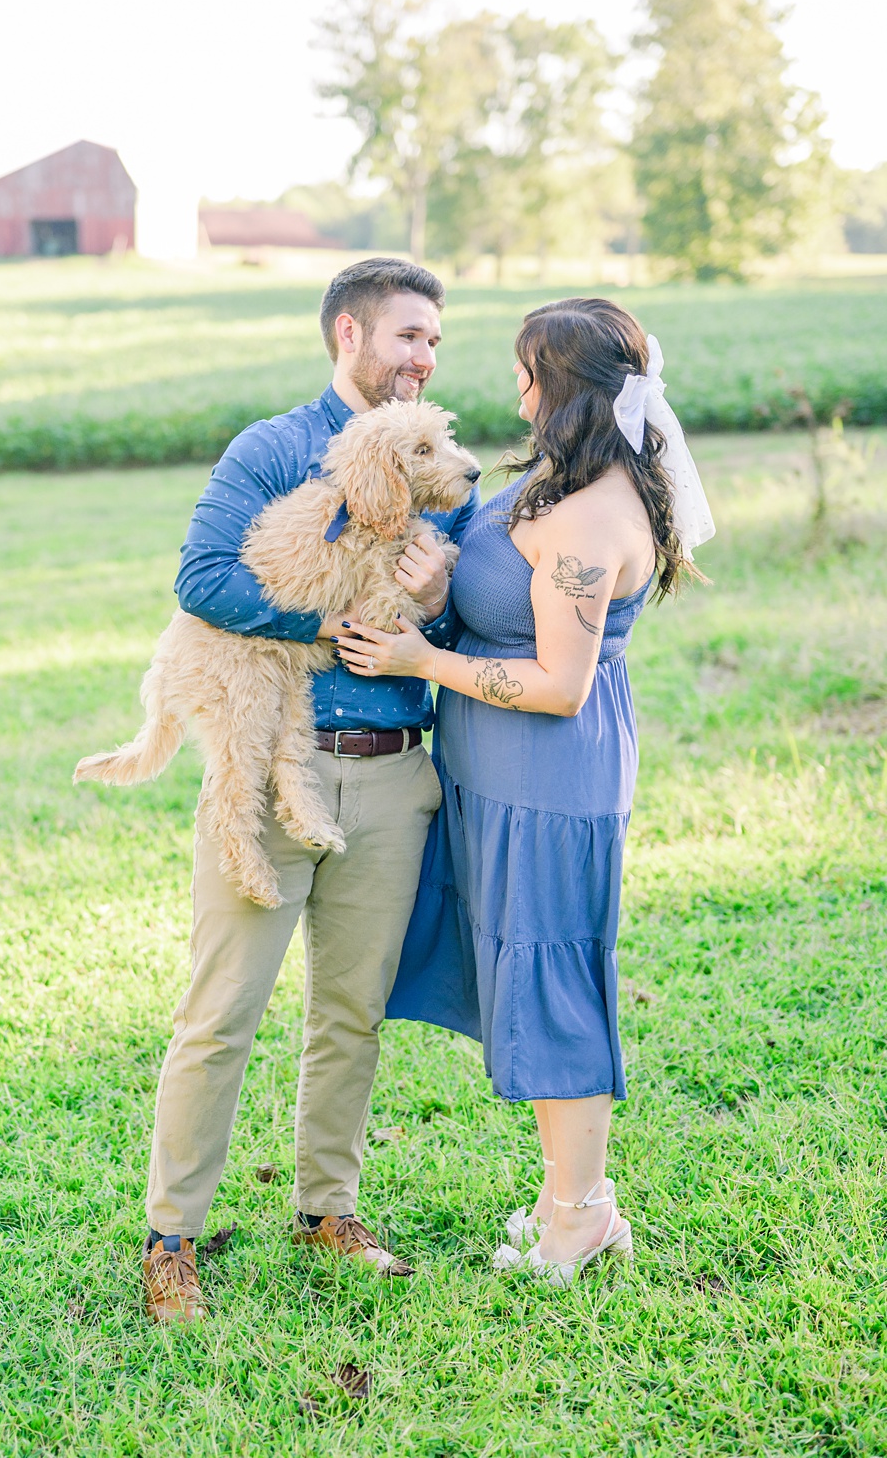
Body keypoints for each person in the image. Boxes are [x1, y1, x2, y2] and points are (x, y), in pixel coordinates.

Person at [137, 256, 475, 1324]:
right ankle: (172, 1239)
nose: (423, 359)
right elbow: (202, 579)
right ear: (349, 336)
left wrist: (442, 601)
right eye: (407, 336)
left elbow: (451, 637)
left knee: (351, 1014)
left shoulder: (437, 469)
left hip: (394, 775)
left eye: (433, 341)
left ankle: (328, 1210)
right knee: (220, 1013)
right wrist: (320, 627)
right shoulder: (274, 449)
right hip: (281, 754)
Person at [344, 298, 709, 1284]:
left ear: (566, 386)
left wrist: (421, 656)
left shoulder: (594, 516)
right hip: (494, 778)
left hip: (550, 785)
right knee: (525, 977)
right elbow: (501, 612)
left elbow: (560, 685)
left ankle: (584, 1216)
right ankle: (565, 1201)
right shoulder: (558, 480)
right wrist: (436, 595)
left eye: (527, 368)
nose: (515, 385)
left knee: (554, 992)